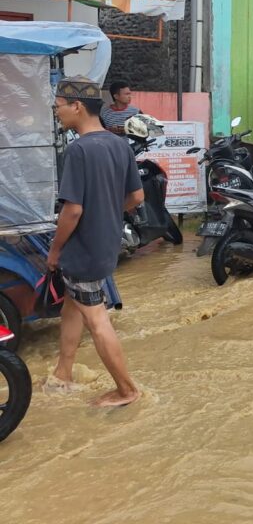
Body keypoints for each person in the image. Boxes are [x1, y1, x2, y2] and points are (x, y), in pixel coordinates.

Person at [48, 78, 143, 407]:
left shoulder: (79, 149)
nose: (56, 111)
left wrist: (55, 250)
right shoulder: (120, 145)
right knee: (72, 306)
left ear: (76, 106)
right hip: (106, 245)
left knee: (96, 318)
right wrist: (106, 211)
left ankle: (126, 389)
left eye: (59, 105)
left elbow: (72, 211)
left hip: (83, 249)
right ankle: (63, 374)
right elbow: (137, 196)